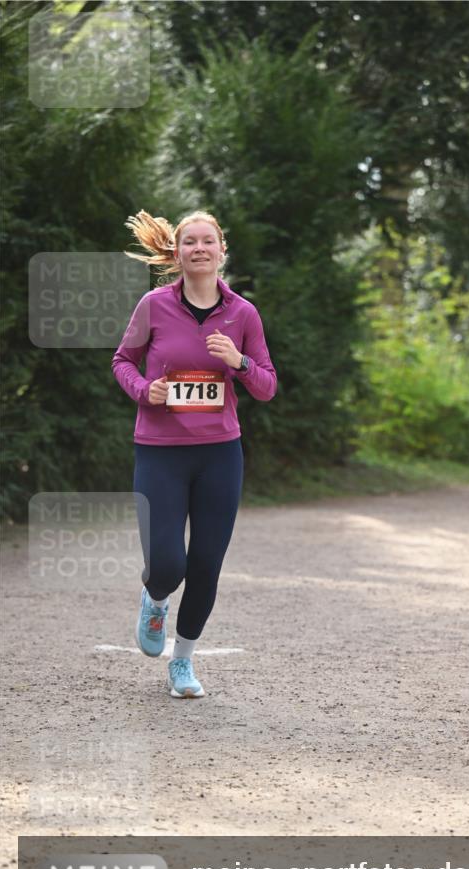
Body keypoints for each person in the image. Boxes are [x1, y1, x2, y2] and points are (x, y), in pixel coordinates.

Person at [112, 209, 277, 697]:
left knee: (206, 564)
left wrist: (239, 362)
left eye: (208, 241)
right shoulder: (153, 306)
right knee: (168, 564)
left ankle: (182, 662)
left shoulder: (243, 313)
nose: (199, 248)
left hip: (219, 455)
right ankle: (155, 598)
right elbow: (123, 360)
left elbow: (267, 386)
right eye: (190, 242)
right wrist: (145, 390)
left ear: (222, 250)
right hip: (160, 452)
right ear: (178, 252)